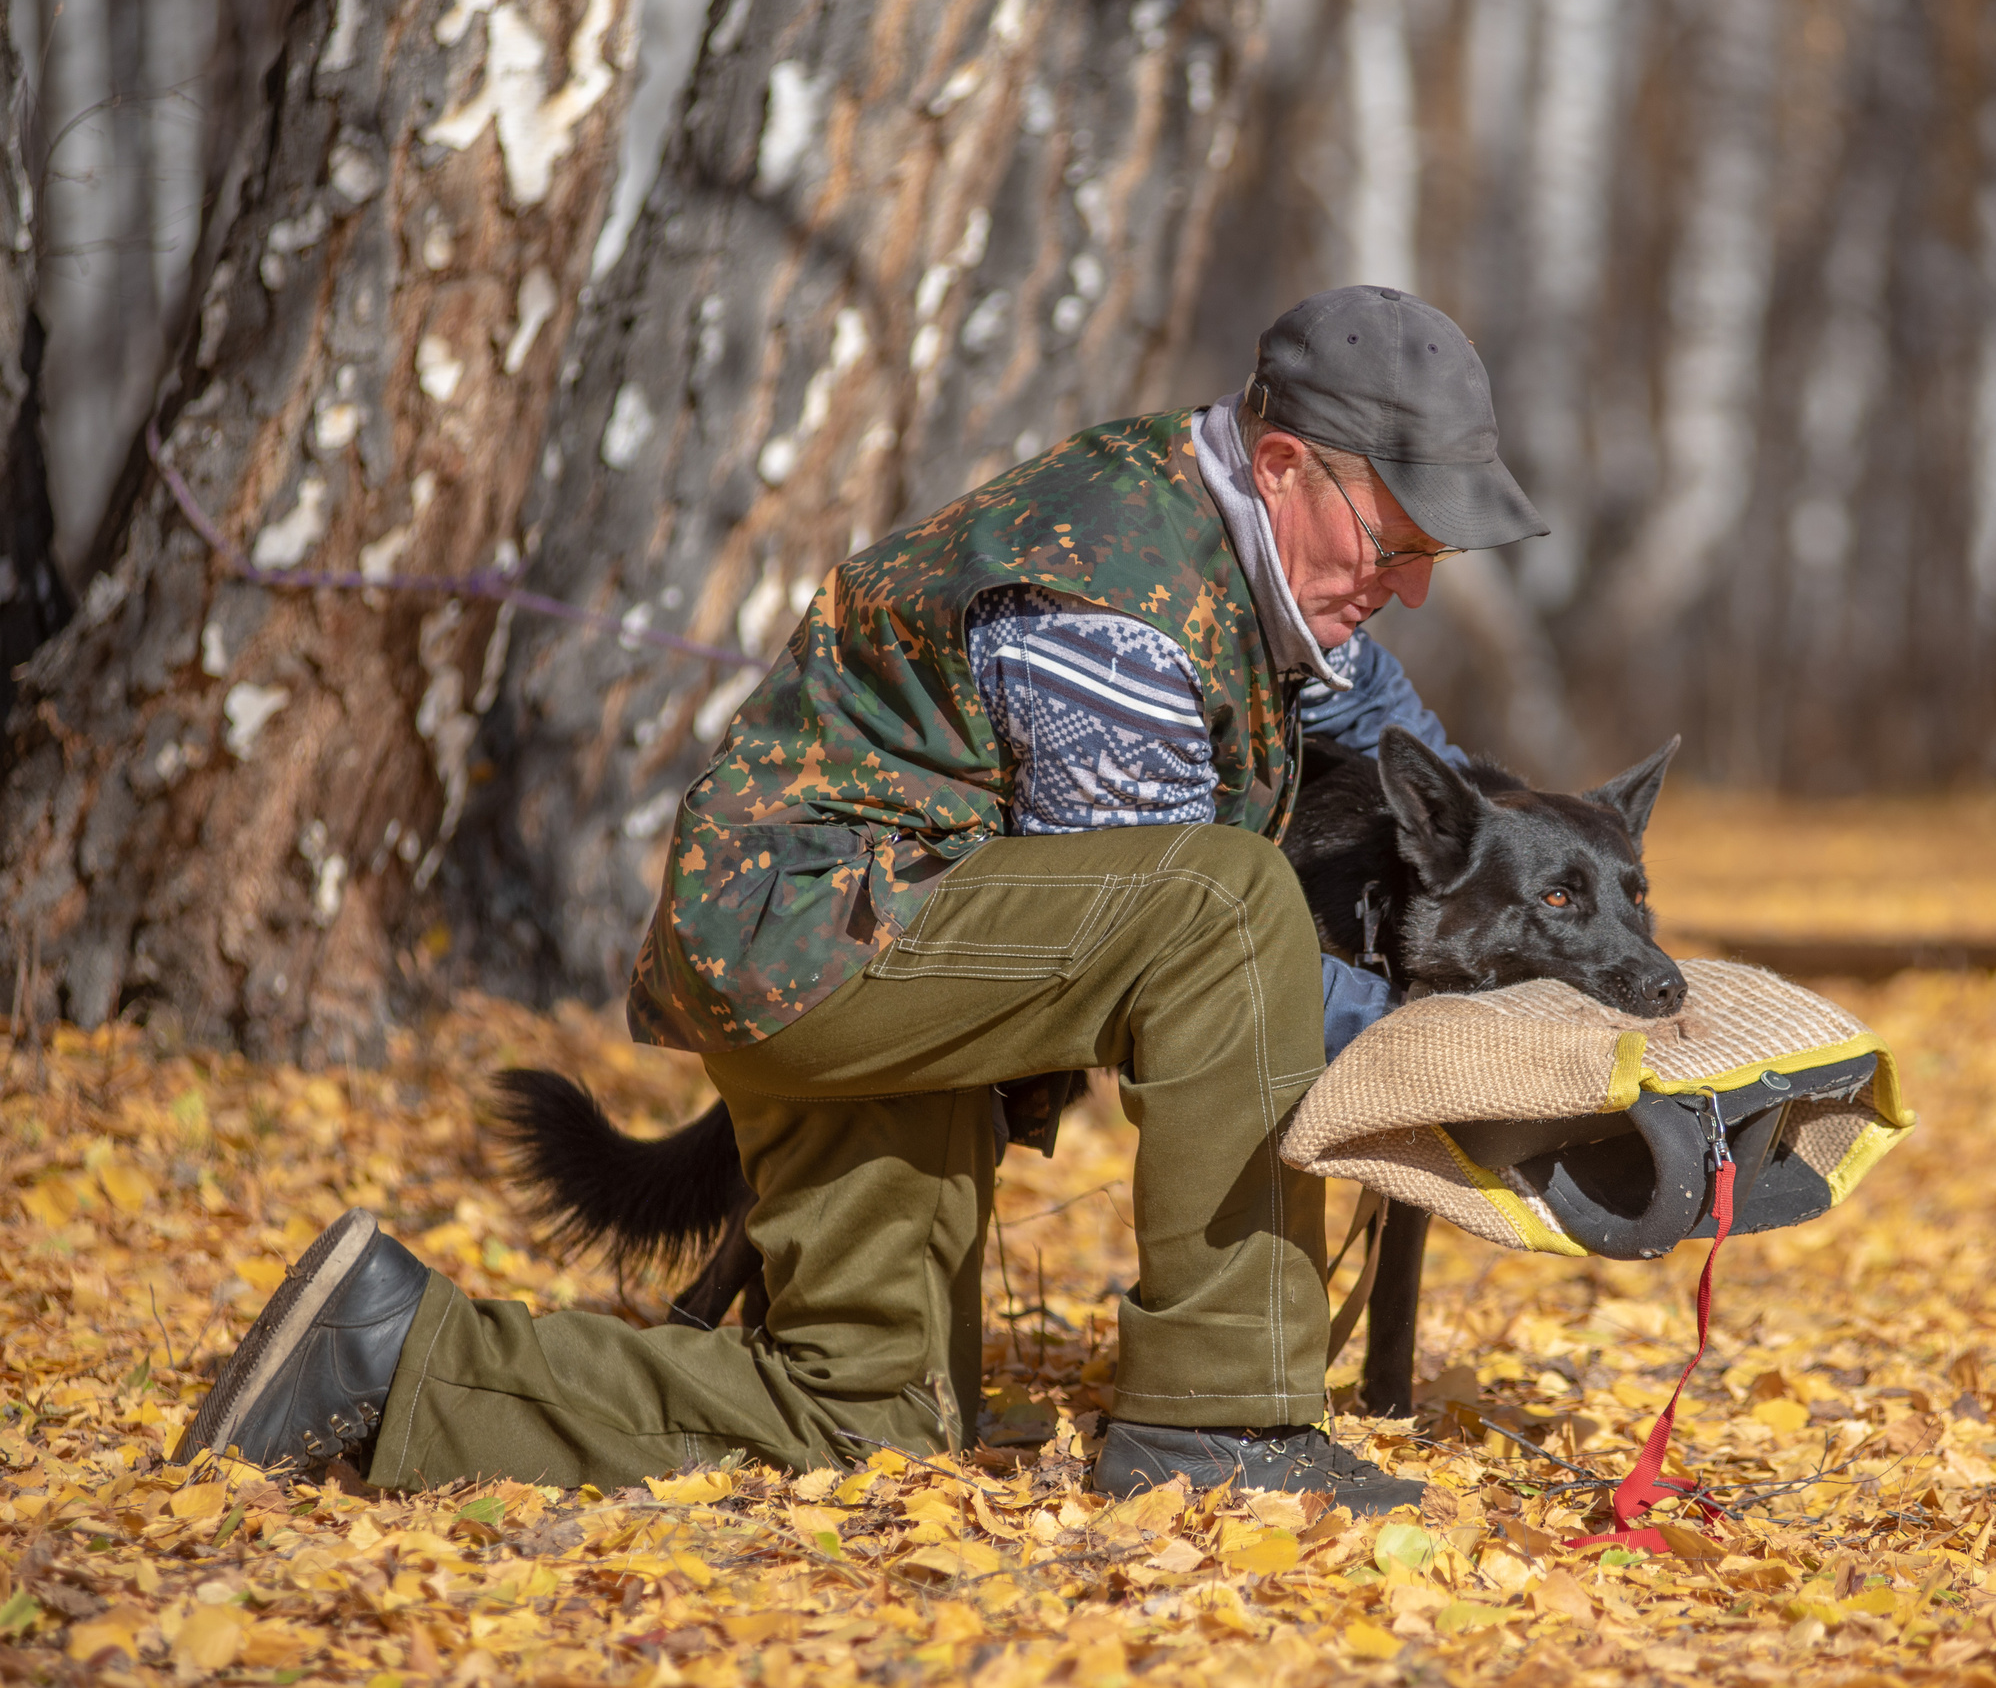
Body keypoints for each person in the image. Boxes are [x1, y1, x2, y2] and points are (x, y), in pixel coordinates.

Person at [178, 286, 1548, 1514]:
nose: (1416, 587)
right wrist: (1488, 1058)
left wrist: (1558, 948)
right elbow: (1185, 955)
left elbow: (1405, 745)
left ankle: (389, 1356)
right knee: (1226, 903)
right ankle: (1225, 1420)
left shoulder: (1253, 558)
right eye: (1397, 540)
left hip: (882, 935)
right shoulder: (1117, 610)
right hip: (826, 936)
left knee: (870, 1418)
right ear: (1285, 465)